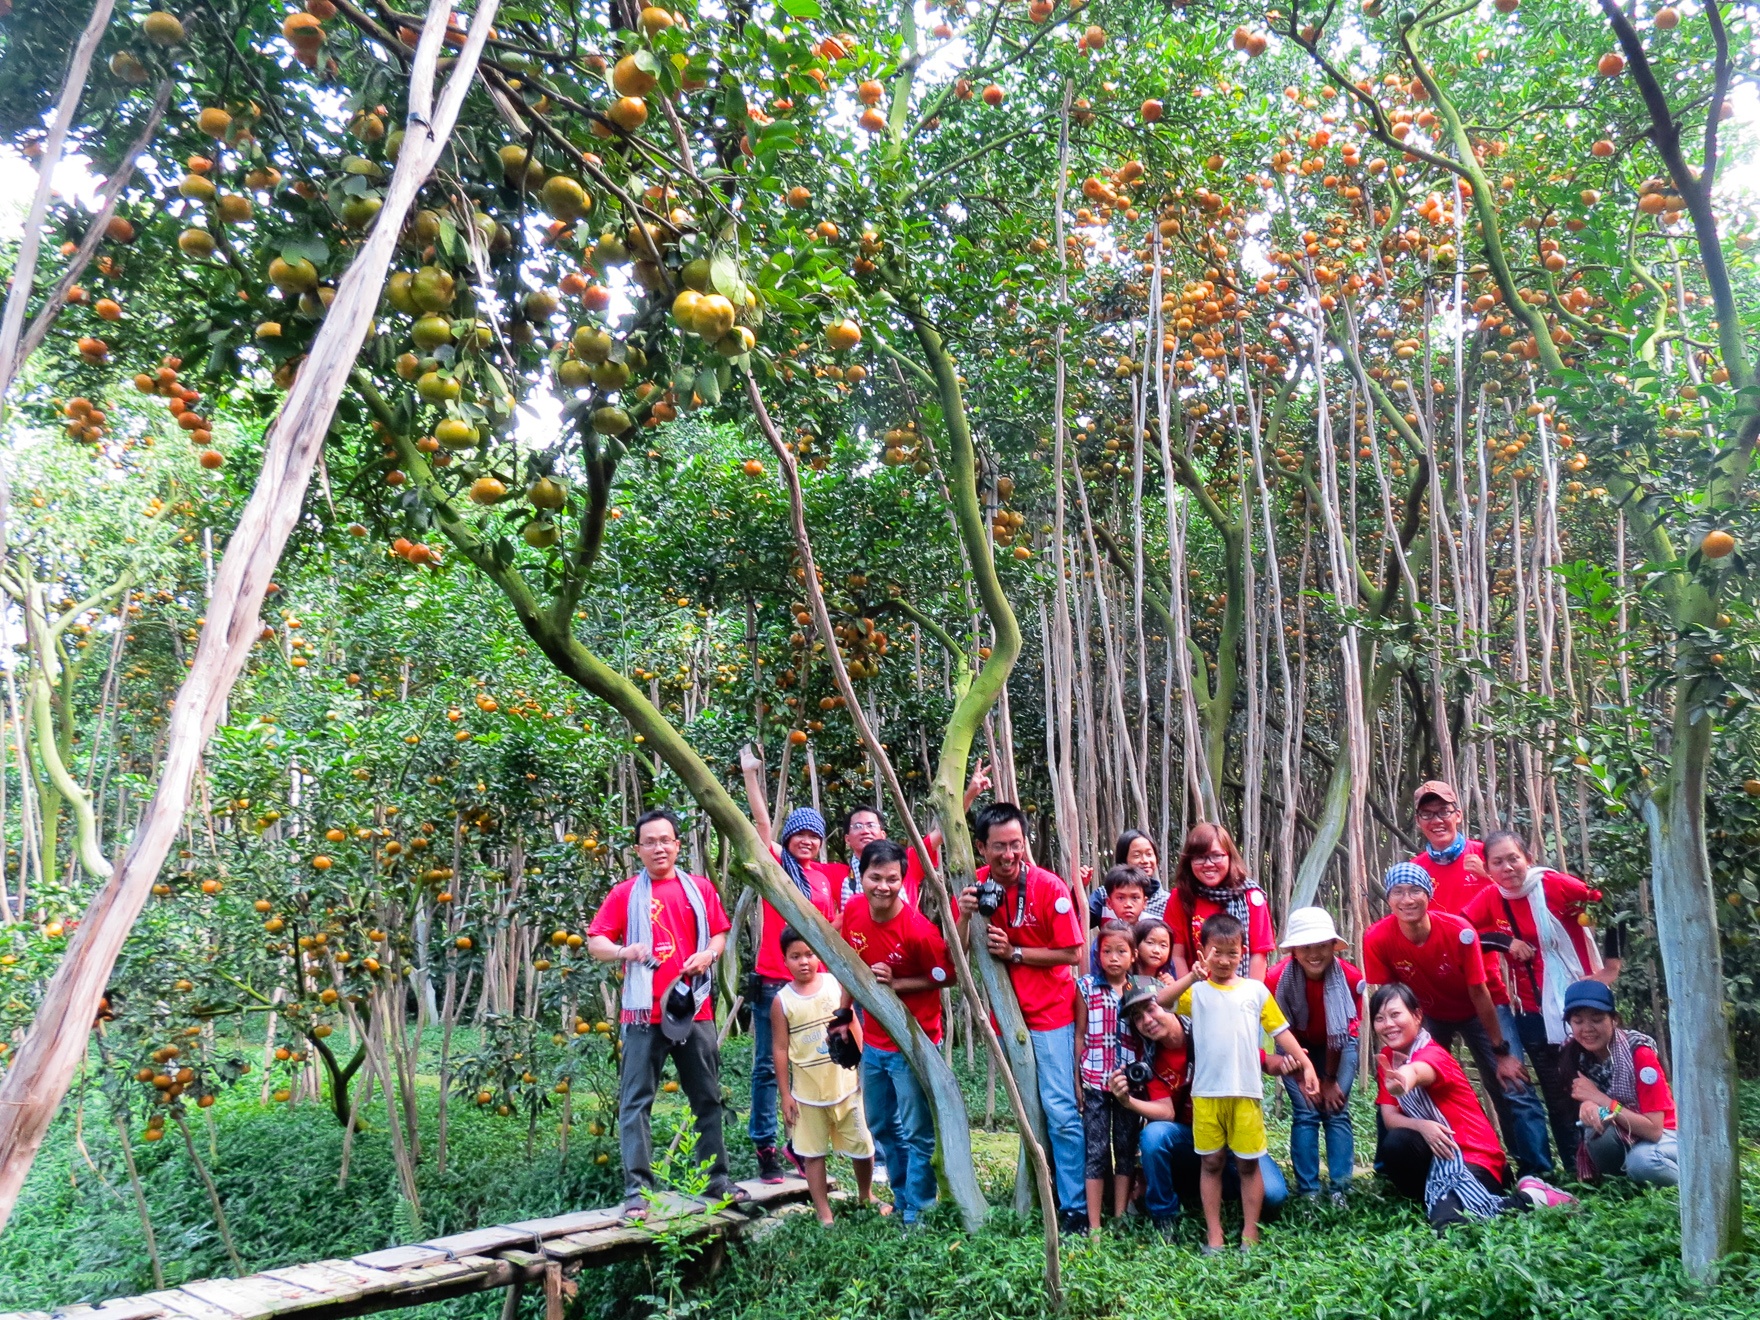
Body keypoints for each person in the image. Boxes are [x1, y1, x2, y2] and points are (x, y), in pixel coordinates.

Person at [587, 809, 740, 1216]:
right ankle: (637, 1191)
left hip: (695, 1009)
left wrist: (708, 953)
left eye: (666, 840)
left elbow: (721, 932)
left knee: (707, 1097)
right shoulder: (624, 894)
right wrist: (624, 951)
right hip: (642, 1016)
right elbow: (595, 942)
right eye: (649, 842)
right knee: (636, 1102)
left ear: (677, 844)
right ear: (638, 849)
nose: (659, 847)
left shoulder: (701, 888)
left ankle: (717, 1180)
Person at [1362, 861, 1554, 1177]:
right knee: (1400, 1080)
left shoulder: (1459, 931)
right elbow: (1391, 995)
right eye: (1398, 892)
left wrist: (1501, 1051)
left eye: (1415, 891)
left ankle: (1534, 1169)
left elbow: (1480, 993)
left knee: (1508, 1082)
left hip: (1478, 1010)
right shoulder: (1378, 937)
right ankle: (1395, 1166)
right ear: (1388, 899)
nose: (1407, 899)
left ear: (1430, 894)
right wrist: (1400, 1041)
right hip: (1427, 1015)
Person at [958, 802, 1089, 1233]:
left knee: (1062, 1111)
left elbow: (1073, 953)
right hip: (1006, 1020)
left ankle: (1074, 1207)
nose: (1009, 854)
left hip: (1051, 1014)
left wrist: (1015, 952)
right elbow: (954, 955)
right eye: (999, 846)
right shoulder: (973, 886)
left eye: (1016, 844)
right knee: (1030, 1111)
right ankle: (1038, 1191)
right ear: (981, 848)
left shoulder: (1049, 887)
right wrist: (963, 914)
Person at [1157, 913, 1319, 1252]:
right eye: (1217, 951)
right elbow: (1162, 1002)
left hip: (1246, 1094)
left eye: (1233, 952)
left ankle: (1250, 1233)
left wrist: (1305, 1065)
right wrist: (1190, 976)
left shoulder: (1255, 991)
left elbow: (1281, 1032)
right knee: (1212, 1162)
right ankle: (1214, 1235)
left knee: (1248, 1163)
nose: (1225, 960)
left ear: (1243, 952)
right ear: (1203, 952)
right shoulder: (1196, 991)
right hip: (1207, 1095)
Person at [1371, 983, 1572, 1230]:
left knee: (1450, 1225)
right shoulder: (1388, 1061)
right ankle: (1438, 1198)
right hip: (1439, 1153)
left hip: (1475, 1155)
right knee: (1396, 1144)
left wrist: (1404, 1080)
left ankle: (1532, 1198)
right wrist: (1422, 1126)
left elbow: (1418, 1071)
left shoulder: (1431, 1053)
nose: (1388, 1024)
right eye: (1379, 1018)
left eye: (1395, 1015)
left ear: (1417, 1015)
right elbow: (1390, 1118)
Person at [1464, 830, 1608, 1166]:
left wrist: (1611, 966)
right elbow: (1463, 932)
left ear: (1528, 858)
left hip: (1578, 1008)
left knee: (1585, 1086)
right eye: (1497, 862)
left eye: (1513, 858)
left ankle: (1604, 1161)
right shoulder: (1491, 898)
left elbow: (1608, 906)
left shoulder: (1557, 885)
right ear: (1488, 867)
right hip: (1530, 1011)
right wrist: (1504, 941)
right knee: (1555, 1093)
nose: (1507, 868)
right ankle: (1574, 1167)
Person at [1111, 984, 1291, 1239]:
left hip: (1232, 1137)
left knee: (1274, 1196)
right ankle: (1164, 1216)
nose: (1147, 1021)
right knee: (1154, 1136)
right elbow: (1165, 1114)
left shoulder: (1207, 1030)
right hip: (1193, 1137)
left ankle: (1208, 1187)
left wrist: (1290, 1063)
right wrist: (1127, 1101)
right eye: (1138, 1018)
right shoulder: (1149, 1060)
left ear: (1168, 1005)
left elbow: (1260, 1059)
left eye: (1150, 1009)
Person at [839, 838, 954, 1227]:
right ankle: (902, 1196)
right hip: (872, 1040)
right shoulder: (854, 911)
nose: (882, 887)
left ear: (903, 881)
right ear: (862, 876)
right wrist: (842, 1011)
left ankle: (918, 1210)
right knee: (882, 1123)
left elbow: (946, 976)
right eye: (875, 877)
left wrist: (898, 983)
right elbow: (849, 964)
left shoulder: (918, 930)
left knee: (917, 1129)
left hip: (914, 1041)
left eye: (891, 879)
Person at [738, 750, 840, 1182]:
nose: (807, 841)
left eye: (813, 837)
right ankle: (765, 1146)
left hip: (813, 985)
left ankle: (799, 1145)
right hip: (771, 983)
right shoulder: (778, 866)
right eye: (799, 834)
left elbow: (831, 925)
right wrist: (750, 776)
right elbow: (762, 825)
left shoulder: (822, 878)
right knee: (767, 1065)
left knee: (808, 1064)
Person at [770, 926, 877, 1224]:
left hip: (846, 1087)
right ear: (785, 961)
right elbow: (779, 1049)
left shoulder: (835, 985)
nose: (804, 961)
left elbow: (853, 1022)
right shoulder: (782, 1001)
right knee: (812, 1154)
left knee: (863, 1145)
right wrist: (785, 1095)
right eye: (795, 956)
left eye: (809, 954)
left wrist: (857, 1053)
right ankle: (824, 1211)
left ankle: (865, 1194)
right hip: (807, 1094)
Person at [1265, 907, 1363, 1201]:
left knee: (1336, 1110)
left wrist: (1329, 1080)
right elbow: (1281, 1035)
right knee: (1306, 1113)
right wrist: (1299, 1072)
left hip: (1339, 1045)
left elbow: (1342, 1035)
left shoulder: (1351, 978)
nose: (1314, 953)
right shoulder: (1275, 979)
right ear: (1293, 950)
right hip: (1295, 1046)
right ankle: (1308, 1190)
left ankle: (1340, 1189)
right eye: (1306, 946)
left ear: (1334, 946)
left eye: (1321, 945)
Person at [821, 761, 991, 909]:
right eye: (858, 826)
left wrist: (970, 794)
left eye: (871, 825)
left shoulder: (907, 861)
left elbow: (944, 830)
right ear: (847, 839)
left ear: (882, 834)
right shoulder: (835, 874)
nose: (865, 830)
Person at [1558, 979, 1678, 1186]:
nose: (1587, 1029)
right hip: (1628, 1131)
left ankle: (1690, 1186)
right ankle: (1622, 1186)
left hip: (1668, 1135)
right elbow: (1595, 1109)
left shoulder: (1640, 1054)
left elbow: (1653, 1129)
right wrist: (1589, 1106)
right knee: (1595, 1128)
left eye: (1596, 1019)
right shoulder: (1574, 1056)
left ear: (1614, 1019)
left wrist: (1598, 1098)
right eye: (1578, 1022)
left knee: (1642, 1162)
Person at [1074, 918, 1142, 1232]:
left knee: (1126, 1150)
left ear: (1134, 955)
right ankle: (1095, 1225)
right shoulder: (1086, 987)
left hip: (1128, 1086)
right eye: (1106, 951)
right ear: (1097, 954)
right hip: (1094, 1082)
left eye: (1121, 951)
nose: (1113, 958)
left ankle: (1118, 1219)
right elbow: (1080, 1034)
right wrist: (1077, 1080)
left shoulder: (1141, 989)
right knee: (1096, 1150)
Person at [1166, 823, 1276, 980]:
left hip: (1241, 991)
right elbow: (1177, 955)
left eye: (1216, 855)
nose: (1208, 863)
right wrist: (1188, 995)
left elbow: (1258, 954)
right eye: (1199, 857)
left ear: (1229, 856)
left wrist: (1249, 998)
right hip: (1197, 989)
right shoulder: (1181, 896)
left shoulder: (1251, 897)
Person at [1409, 781, 1491, 916]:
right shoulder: (1415, 869)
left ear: (1458, 815)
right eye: (1427, 814)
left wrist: (1487, 876)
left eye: (1444, 812)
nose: (1436, 821)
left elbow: (1517, 899)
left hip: (1487, 937)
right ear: (1418, 821)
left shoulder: (1487, 855)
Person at [1087, 830, 1170, 922]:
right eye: (1136, 855)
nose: (1145, 860)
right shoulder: (1105, 894)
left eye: (1149, 854)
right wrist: (1078, 889)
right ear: (1123, 859)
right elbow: (1078, 922)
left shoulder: (1166, 902)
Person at [1088, 865, 1151, 975]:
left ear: (1145, 903)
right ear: (1109, 903)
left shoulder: (1152, 936)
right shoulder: (1103, 942)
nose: (1128, 904)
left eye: (1135, 898)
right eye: (1121, 898)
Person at [1134, 916, 1176, 984]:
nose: (1156, 950)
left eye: (1163, 945)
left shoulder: (1167, 981)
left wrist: (1173, 989)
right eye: (1150, 943)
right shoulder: (1123, 978)